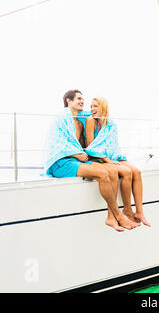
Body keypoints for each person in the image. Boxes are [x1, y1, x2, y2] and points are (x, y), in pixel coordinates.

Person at [43, 89, 140, 232]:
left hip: (76, 160)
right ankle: (118, 215)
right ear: (68, 101)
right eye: (78, 99)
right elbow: (57, 144)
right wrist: (76, 155)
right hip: (61, 162)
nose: (82, 101)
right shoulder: (61, 120)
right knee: (103, 174)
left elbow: (82, 143)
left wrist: (82, 154)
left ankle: (111, 217)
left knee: (112, 171)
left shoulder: (80, 123)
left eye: (83, 99)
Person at [84, 97, 151, 227]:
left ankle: (139, 211)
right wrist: (106, 159)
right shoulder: (90, 120)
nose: (92, 109)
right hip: (97, 157)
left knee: (136, 171)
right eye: (91, 106)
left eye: (95, 106)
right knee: (126, 172)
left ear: (103, 107)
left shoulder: (111, 124)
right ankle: (127, 209)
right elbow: (90, 146)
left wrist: (117, 158)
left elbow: (113, 145)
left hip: (112, 156)